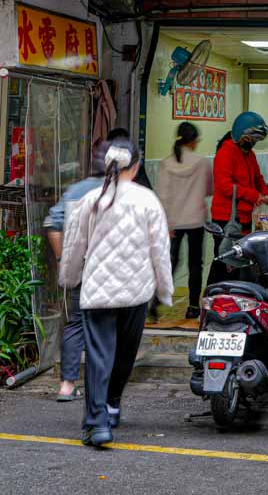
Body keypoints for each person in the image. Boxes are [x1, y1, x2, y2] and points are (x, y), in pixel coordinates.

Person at [59, 139, 173, 448]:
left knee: (99, 356)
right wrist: (165, 292)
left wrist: (69, 278)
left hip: (98, 292)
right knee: (125, 355)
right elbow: (160, 250)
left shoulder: (91, 199)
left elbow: (73, 246)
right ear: (135, 168)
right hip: (136, 293)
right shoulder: (147, 200)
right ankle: (111, 405)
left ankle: (98, 425)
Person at [43, 140, 106, 402]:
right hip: (110, 270)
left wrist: (62, 257)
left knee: (76, 324)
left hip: (80, 266)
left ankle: (67, 385)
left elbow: (52, 223)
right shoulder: (121, 191)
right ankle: (101, 386)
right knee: (107, 325)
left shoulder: (75, 191)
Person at [155, 122, 213, 321]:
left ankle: (156, 302)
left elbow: (162, 195)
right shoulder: (202, 163)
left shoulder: (166, 163)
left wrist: (167, 223)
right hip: (196, 221)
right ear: (193, 141)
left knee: (170, 263)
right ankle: (193, 306)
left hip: (173, 222)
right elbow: (209, 190)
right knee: (195, 265)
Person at [208, 111, 268, 285]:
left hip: (243, 217)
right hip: (225, 218)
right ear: (240, 135)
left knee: (239, 259)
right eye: (251, 139)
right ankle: (214, 297)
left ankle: (234, 297)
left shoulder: (250, 155)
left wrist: (264, 193)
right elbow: (225, 186)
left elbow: (258, 178)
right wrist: (253, 195)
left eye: (255, 140)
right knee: (224, 261)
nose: (253, 143)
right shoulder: (226, 153)